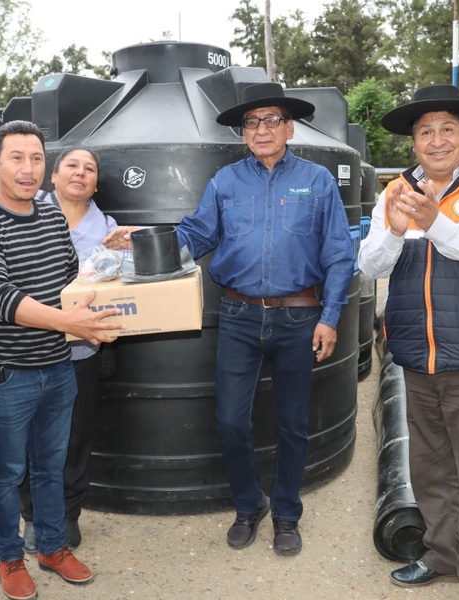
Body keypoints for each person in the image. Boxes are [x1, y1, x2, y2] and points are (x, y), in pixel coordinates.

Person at [106, 82, 354, 556]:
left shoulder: (317, 181)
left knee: (292, 424)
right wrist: (145, 241)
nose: (261, 130)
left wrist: (332, 316)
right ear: (243, 134)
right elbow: (196, 235)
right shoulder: (225, 182)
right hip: (238, 317)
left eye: (271, 120)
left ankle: (286, 513)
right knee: (230, 421)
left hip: (300, 317)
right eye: (252, 123)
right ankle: (248, 505)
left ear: (290, 127)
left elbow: (340, 255)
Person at [357, 84, 459, 600]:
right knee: (428, 467)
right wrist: (394, 230)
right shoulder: (394, 192)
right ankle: (441, 554)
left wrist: (436, 223)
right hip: (416, 356)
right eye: (425, 131)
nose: (437, 139)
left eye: (448, 127)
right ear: (413, 143)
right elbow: (369, 266)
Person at [0, 121, 123, 600]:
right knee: (9, 473)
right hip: (8, 375)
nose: (27, 170)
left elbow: (70, 283)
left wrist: (110, 289)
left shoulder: (51, 220)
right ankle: (10, 558)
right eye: (16, 158)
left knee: (51, 465)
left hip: (59, 367)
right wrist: (72, 324)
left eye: (35, 159)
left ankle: (51, 545)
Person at [20, 148, 119, 553]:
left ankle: (68, 513)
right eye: (72, 167)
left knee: (75, 438)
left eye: (90, 169)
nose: (81, 174)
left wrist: (127, 251)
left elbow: (123, 284)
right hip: (32, 349)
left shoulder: (107, 227)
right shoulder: (25, 214)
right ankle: (33, 516)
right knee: (32, 440)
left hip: (82, 353)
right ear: (53, 177)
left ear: (96, 184)